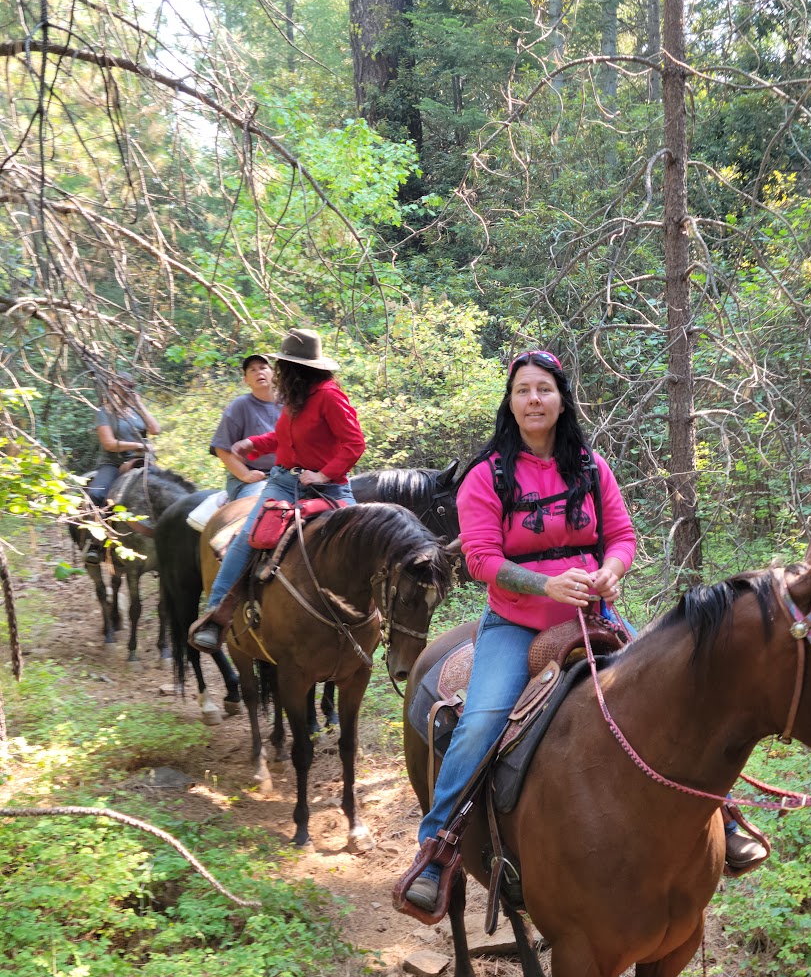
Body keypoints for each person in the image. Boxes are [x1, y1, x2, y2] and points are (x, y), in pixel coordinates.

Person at [400, 348, 638, 915]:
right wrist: (545, 586)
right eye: (524, 390)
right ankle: (436, 847)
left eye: (545, 389)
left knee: (671, 680)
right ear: (510, 403)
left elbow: (623, 534)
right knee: (481, 723)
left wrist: (611, 569)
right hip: (516, 622)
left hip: (593, 615)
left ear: (561, 399)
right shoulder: (487, 475)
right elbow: (481, 559)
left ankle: (722, 812)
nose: (535, 399)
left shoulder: (590, 465)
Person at [187, 329, 364, 653]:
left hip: (327, 487)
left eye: (282, 365)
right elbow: (284, 439)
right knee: (248, 538)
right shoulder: (295, 398)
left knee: (362, 540)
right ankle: (216, 615)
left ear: (298, 368)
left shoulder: (329, 395)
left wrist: (323, 473)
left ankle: (377, 624)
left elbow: (354, 443)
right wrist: (254, 443)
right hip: (283, 483)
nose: (277, 371)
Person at [210, 354, 281, 501]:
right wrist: (245, 475)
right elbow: (221, 448)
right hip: (254, 479)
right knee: (259, 509)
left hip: (288, 475)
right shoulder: (240, 405)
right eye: (252, 370)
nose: (259, 372)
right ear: (246, 380)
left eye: (263, 368)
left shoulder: (291, 403)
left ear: (273, 373)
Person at [87, 375, 161, 506]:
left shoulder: (136, 411)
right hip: (114, 463)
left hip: (142, 461)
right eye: (122, 387)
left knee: (167, 490)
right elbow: (109, 444)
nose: (126, 391)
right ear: (112, 389)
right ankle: (99, 522)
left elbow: (155, 430)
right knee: (96, 494)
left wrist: (140, 405)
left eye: (130, 387)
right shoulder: (104, 412)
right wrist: (139, 445)